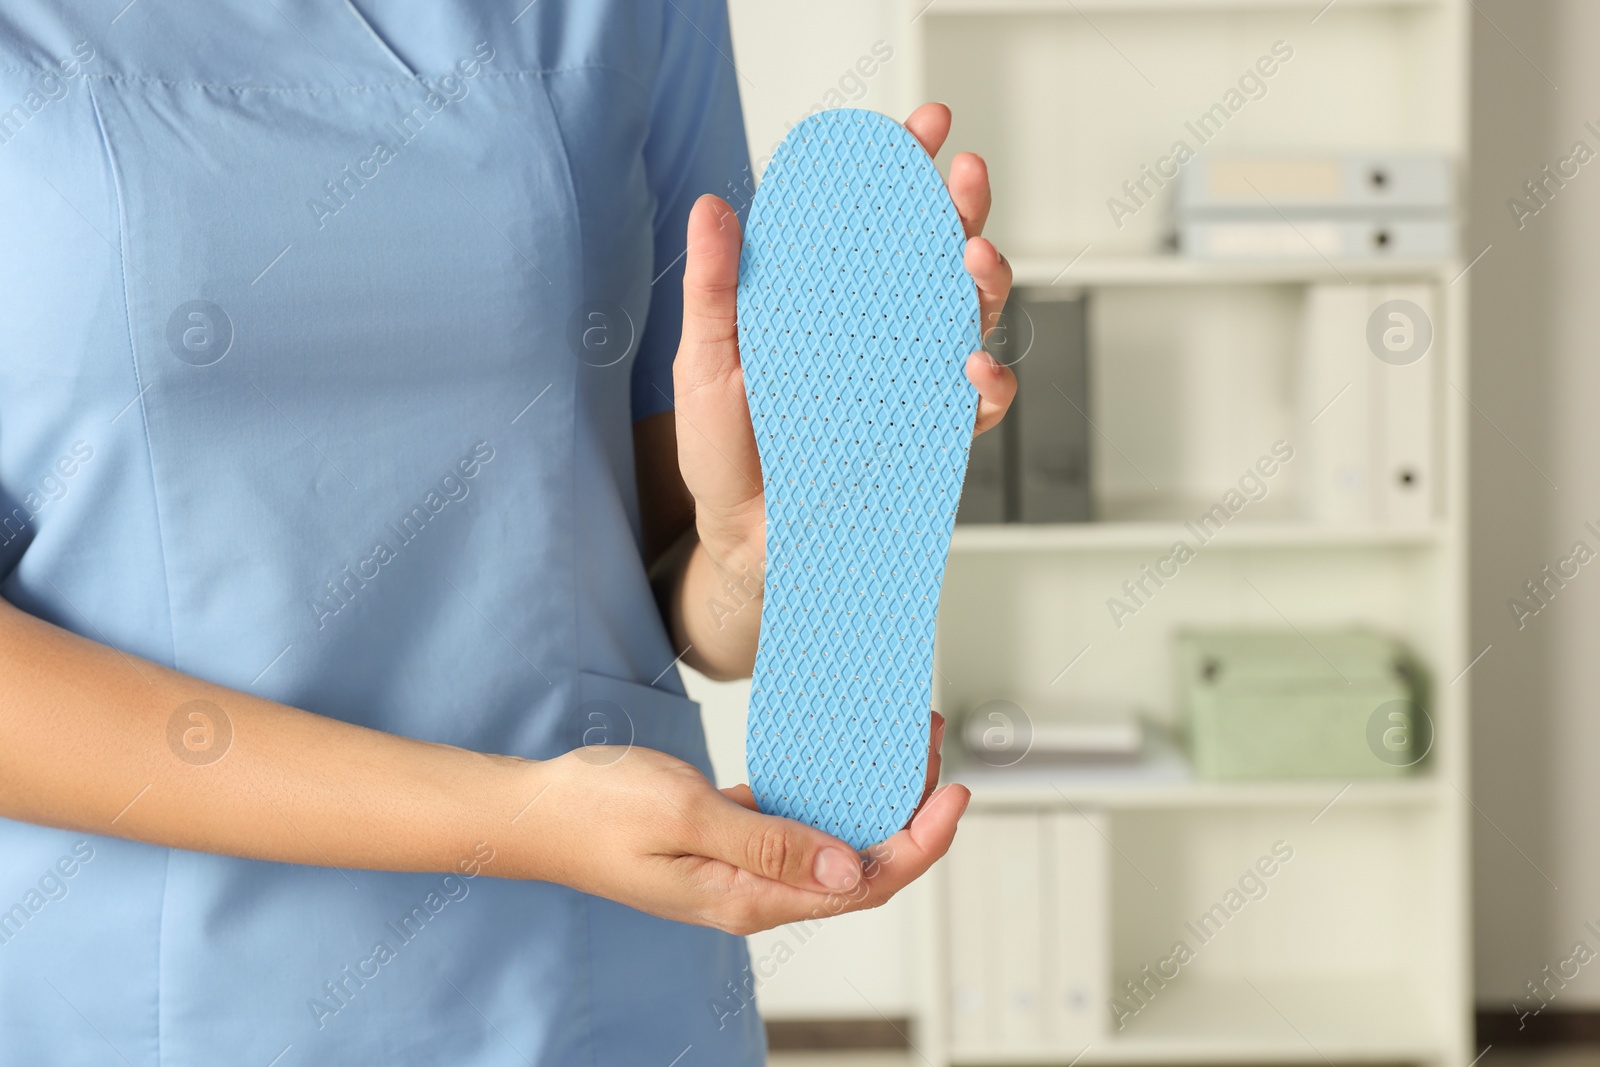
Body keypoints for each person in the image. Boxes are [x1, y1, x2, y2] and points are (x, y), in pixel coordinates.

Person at [0, 2, 1015, 1063]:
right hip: (142, 994)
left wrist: (761, 562)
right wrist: (518, 818)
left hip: (602, 971)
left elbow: (651, 573)